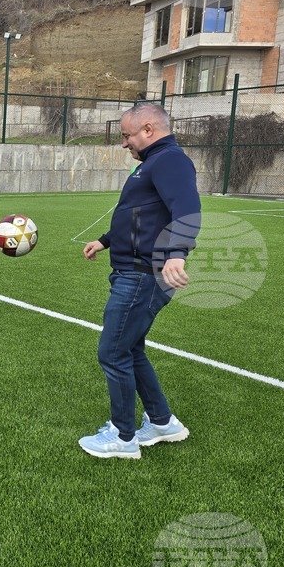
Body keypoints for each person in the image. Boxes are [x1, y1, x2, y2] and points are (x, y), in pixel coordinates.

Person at [79, 102, 200, 460]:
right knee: (130, 349)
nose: (123, 144)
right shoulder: (152, 163)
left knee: (113, 351)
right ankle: (163, 423)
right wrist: (105, 239)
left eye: (127, 136)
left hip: (143, 275)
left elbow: (188, 208)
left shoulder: (169, 160)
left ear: (148, 130)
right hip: (133, 271)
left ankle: (123, 437)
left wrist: (177, 252)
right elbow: (137, 218)